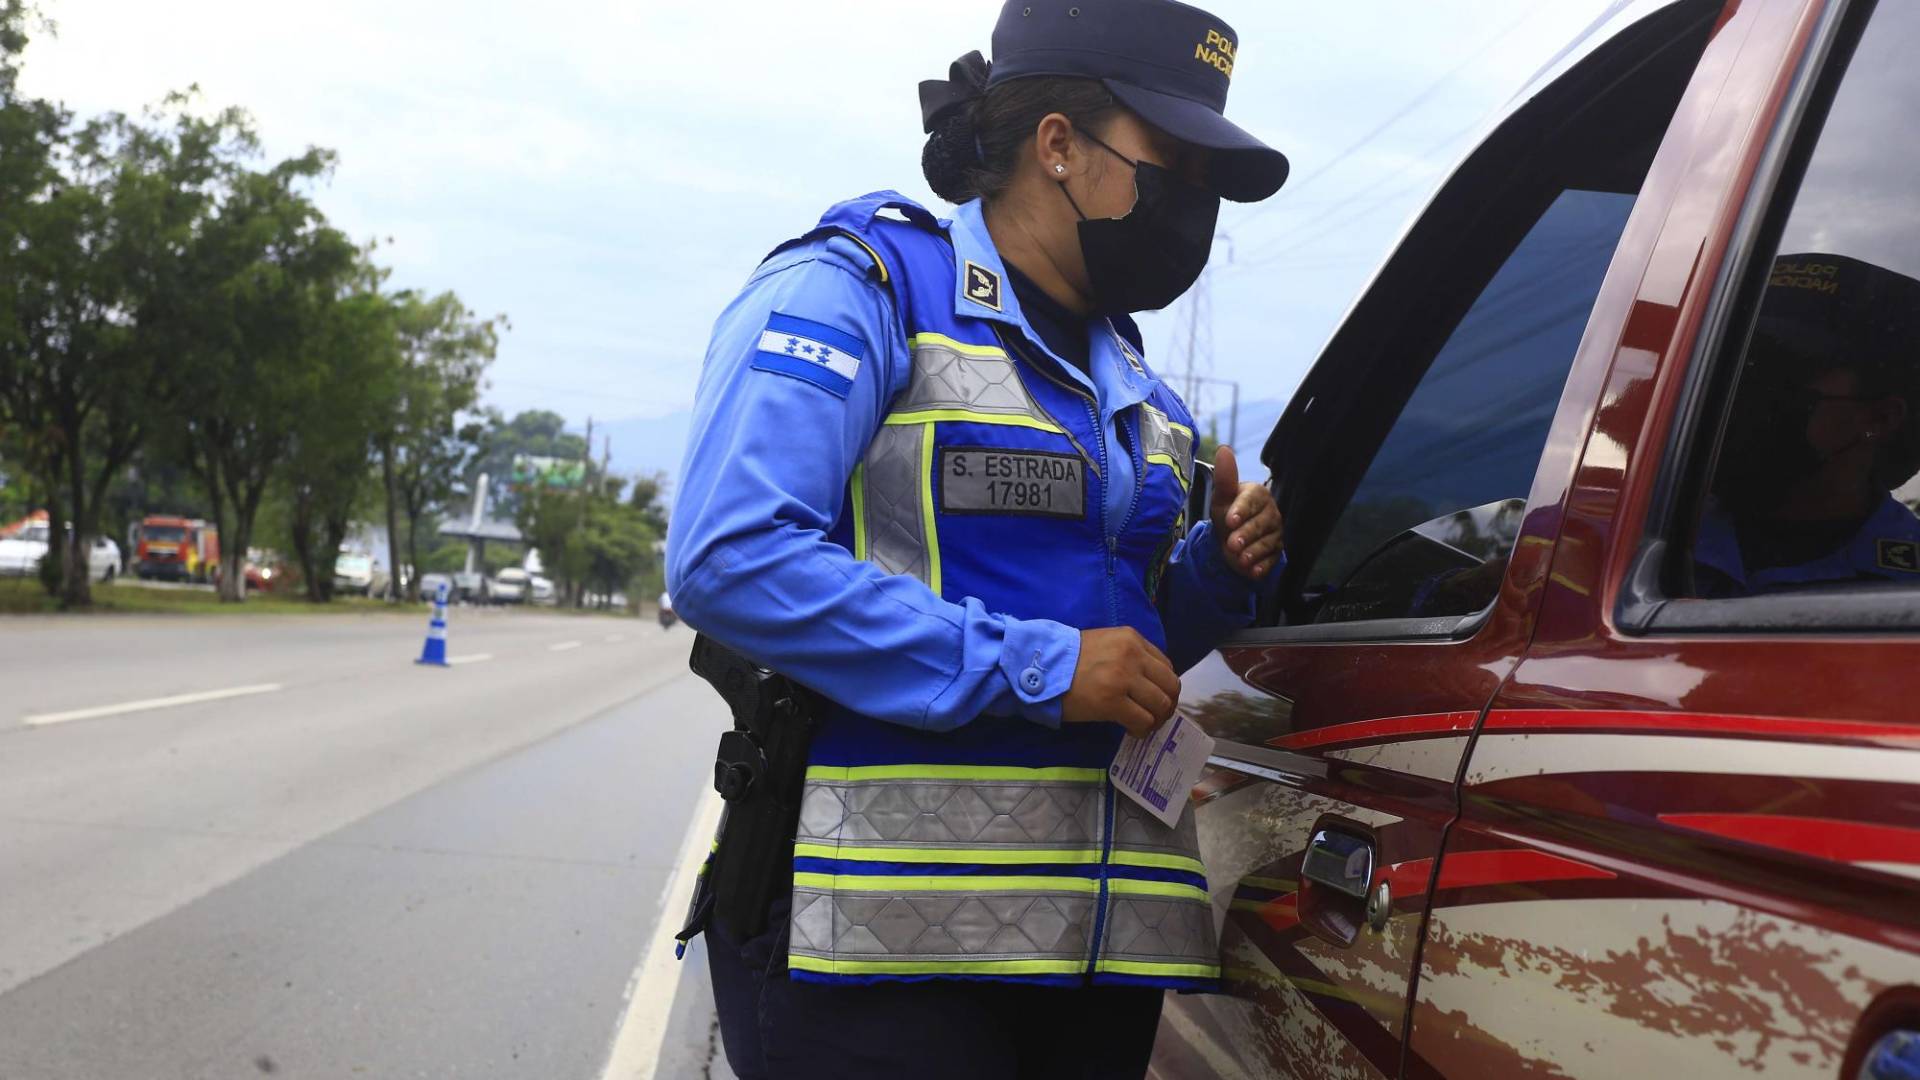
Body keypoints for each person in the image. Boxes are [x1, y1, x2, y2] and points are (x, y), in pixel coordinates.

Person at [666, 1, 1290, 1075]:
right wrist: (1036, 667)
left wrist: (1216, 574)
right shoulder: (862, 287)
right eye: (1173, 162)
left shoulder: (1140, 386)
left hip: (1100, 963)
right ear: (1058, 145)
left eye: (1210, 181)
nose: (1195, 202)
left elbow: (1123, 653)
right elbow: (731, 557)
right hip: (879, 956)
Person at [1695, 252, 1920, 597]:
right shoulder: (1643, 533)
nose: (1747, 389)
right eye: (1742, 365)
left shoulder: (1908, 589)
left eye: (1785, 371)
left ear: (1880, 417)